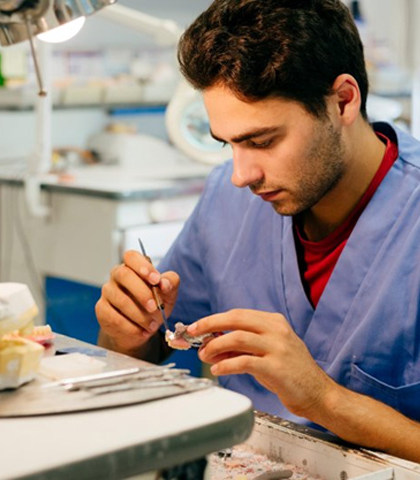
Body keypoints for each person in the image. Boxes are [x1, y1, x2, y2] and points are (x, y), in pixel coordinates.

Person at [95, 0, 420, 463]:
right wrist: (127, 333)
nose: (240, 175)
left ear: (344, 101)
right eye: (227, 143)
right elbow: (151, 349)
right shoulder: (227, 203)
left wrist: (323, 399)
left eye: (263, 141)